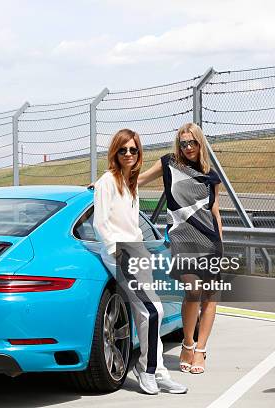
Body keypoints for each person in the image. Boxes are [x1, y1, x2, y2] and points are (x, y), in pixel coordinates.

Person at [93, 128, 187, 395]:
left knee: (150, 312)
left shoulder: (130, 183)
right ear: (115, 152)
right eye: (123, 150)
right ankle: (146, 370)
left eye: (133, 150)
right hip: (121, 251)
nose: (129, 154)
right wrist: (116, 251)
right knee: (152, 310)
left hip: (138, 249)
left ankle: (157, 370)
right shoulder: (107, 182)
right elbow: (100, 222)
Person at [138, 122, 223, 375]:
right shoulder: (169, 164)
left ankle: (200, 350)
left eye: (192, 142)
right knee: (193, 291)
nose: (188, 147)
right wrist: (108, 182)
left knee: (209, 296)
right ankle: (187, 342)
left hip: (209, 239)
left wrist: (220, 242)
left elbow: (214, 210)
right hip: (182, 237)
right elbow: (139, 179)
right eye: (183, 143)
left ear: (200, 143)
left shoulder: (211, 175)